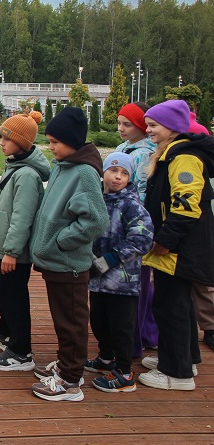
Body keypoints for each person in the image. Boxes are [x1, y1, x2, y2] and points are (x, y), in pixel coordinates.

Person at [28, 107, 109, 402]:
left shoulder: (84, 173)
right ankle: (65, 364)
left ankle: (70, 381)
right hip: (55, 261)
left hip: (69, 263)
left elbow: (97, 220)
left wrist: (63, 241)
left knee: (72, 322)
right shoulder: (64, 166)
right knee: (62, 319)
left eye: (55, 142)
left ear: (72, 141)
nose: (51, 147)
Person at [139, 100, 214, 391]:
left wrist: (164, 240)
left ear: (172, 127)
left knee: (172, 306)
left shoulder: (184, 158)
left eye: (154, 125)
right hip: (178, 247)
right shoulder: (172, 153)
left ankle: (177, 373)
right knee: (177, 304)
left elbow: (186, 207)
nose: (148, 130)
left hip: (179, 248)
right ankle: (185, 358)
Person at [0, 112, 50, 372]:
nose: (1, 142)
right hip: (5, 249)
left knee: (13, 298)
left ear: (22, 143)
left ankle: (22, 351)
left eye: (6, 138)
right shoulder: (14, 165)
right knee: (2, 294)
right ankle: (6, 332)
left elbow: (22, 218)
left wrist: (11, 251)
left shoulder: (27, 175)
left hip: (13, 252)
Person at [85, 152, 154, 393]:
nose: (118, 177)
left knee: (121, 327)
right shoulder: (99, 200)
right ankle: (106, 358)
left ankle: (125, 373)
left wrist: (112, 257)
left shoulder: (131, 205)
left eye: (124, 173)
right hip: (97, 279)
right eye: (113, 171)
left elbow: (142, 238)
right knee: (99, 320)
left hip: (122, 281)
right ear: (103, 172)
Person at [114, 102, 158, 357]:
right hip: (118, 220)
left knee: (136, 286)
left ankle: (133, 343)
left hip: (131, 225)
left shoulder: (145, 153)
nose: (120, 128)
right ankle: (150, 333)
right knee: (143, 286)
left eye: (127, 124)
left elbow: (140, 192)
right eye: (119, 122)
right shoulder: (123, 148)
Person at [185, 113, 214, 352]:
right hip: (197, 223)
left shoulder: (189, 159)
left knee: (203, 281)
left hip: (197, 225)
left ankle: (210, 326)